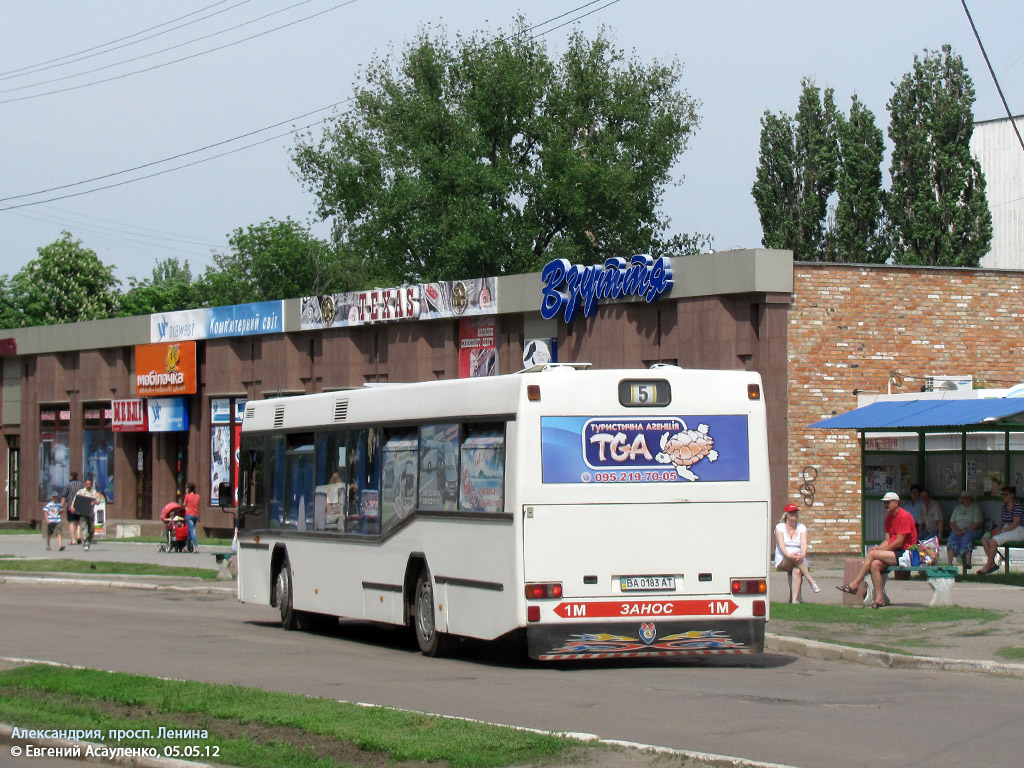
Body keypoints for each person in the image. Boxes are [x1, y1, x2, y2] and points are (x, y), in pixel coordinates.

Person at [836, 491, 917, 608]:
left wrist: (880, 552)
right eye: (884, 503)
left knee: (873, 554)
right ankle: (879, 599)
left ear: (896, 503)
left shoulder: (904, 516)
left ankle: (855, 584)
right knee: (875, 565)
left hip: (906, 553)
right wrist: (878, 548)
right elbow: (887, 540)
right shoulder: (888, 518)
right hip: (895, 552)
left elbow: (899, 542)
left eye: (888, 503)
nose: (885, 505)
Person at [773, 503, 820, 602]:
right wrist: (789, 555)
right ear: (786, 514)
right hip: (784, 558)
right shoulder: (780, 527)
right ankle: (811, 581)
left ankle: (794, 600)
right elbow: (781, 546)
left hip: (799, 558)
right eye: (791, 512)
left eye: (795, 512)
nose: (794, 514)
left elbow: (804, 544)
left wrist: (803, 554)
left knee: (797, 570)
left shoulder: (801, 527)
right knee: (794, 559)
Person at [978, 485, 1024, 574]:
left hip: (1018, 530)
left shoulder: (1018, 506)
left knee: (994, 540)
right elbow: (1001, 524)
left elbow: (1015, 523)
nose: (1003, 496)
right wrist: (992, 532)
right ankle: (992, 564)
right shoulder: (1004, 507)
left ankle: (987, 566)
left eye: (1006, 494)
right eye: (1002, 494)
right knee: (985, 539)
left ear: (1012, 495)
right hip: (1006, 529)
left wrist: (1000, 532)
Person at [946, 490, 983, 568]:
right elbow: (952, 522)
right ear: (962, 500)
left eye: (968, 498)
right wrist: (957, 530)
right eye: (964, 498)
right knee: (951, 537)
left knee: (967, 537)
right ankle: (949, 563)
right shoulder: (957, 508)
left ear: (971, 499)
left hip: (972, 530)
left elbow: (977, 523)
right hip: (958, 529)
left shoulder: (975, 508)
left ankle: (968, 562)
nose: (966, 500)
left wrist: (965, 530)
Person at [72, 478, 102, 551]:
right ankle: (85, 543)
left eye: (90, 484)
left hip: (90, 513)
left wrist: (94, 502)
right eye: (87, 484)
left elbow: (98, 501)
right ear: (85, 484)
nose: (88, 485)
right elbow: (75, 500)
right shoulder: (81, 492)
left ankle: (89, 539)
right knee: (84, 528)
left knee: (91, 529)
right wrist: (72, 507)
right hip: (83, 512)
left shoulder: (94, 492)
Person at [61, 471, 85, 546]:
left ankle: (73, 540)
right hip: (80, 506)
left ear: (71, 477)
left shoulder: (68, 485)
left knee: (72, 522)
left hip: (71, 506)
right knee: (78, 522)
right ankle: (78, 536)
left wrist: (60, 507)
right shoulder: (81, 485)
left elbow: (64, 496)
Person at [183, 482, 201, 553]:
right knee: (190, 532)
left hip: (189, 515)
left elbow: (184, 505)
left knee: (192, 531)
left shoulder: (187, 496)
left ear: (188, 489)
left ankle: (196, 547)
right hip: (196, 515)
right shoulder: (198, 496)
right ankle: (186, 547)